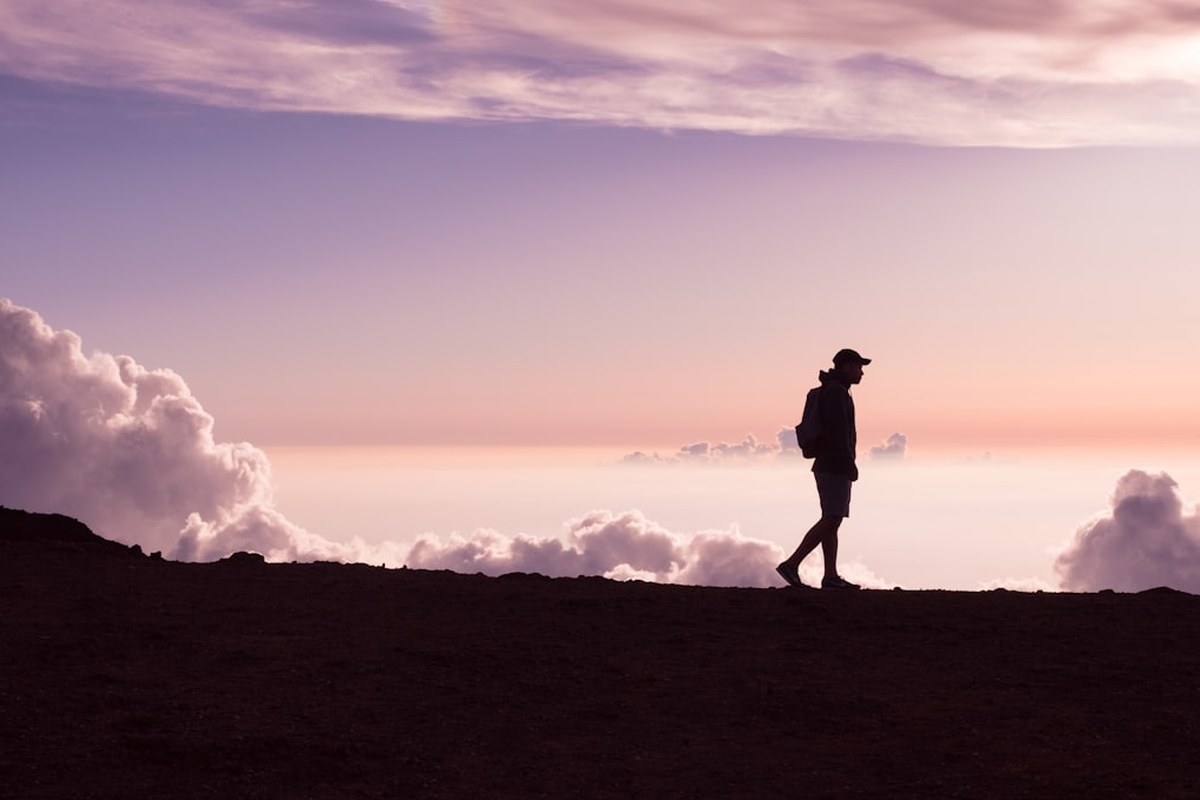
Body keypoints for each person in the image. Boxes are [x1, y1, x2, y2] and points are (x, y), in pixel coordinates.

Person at [776, 348, 871, 590]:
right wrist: (849, 464)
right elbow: (837, 433)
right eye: (858, 367)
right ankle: (792, 564)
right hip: (834, 465)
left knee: (832, 518)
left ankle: (830, 576)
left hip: (827, 464)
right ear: (846, 367)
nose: (861, 372)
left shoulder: (835, 391)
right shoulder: (837, 393)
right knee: (833, 517)